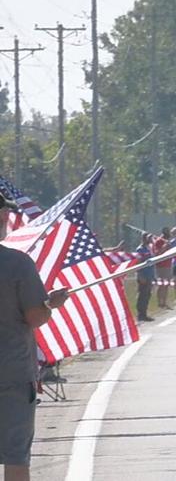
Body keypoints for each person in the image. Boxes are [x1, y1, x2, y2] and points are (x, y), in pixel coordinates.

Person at [1, 195, 69, 481]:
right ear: (3, 215)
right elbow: (35, 317)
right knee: (16, 455)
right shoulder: (16, 264)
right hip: (11, 373)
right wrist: (50, 304)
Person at [135, 233, 156, 322]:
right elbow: (138, 263)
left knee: (147, 294)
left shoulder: (150, 248)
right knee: (142, 295)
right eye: (149, 238)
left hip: (150, 274)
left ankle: (145, 313)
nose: (151, 239)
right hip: (143, 274)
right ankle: (140, 314)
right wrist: (140, 275)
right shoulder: (140, 249)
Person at [153, 227, 173, 310]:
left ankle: (164, 302)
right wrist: (164, 246)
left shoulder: (168, 241)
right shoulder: (159, 241)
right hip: (161, 266)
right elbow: (157, 253)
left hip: (168, 265)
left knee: (166, 284)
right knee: (161, 284)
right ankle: (159, 303)